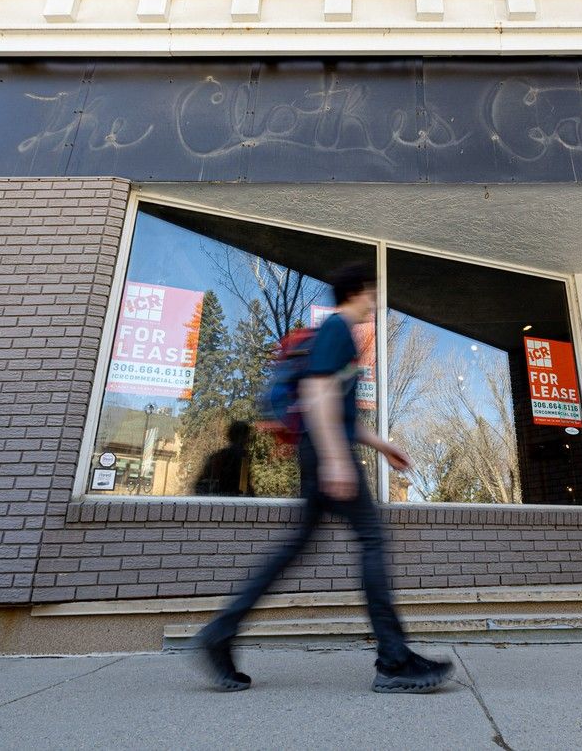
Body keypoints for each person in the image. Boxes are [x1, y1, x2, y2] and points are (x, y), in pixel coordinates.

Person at [191, 262, 454, 694]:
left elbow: (339, 408)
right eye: (372, 292)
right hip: (326, 451)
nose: (375, 300)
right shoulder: (336, 331)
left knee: (295, 548)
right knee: (371, 539)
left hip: (324, 448)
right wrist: (334, 460)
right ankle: (394, 659)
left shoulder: (343, 339)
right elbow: (316, 395)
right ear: (358, 292)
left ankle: (220, 633)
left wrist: (381, 445)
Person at [194, 420, 251, 497]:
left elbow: (200, 484)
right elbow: (244, 489)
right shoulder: (242, 457)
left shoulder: (217, 456)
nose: (248, 440)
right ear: (242, 437)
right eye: (247, 436)